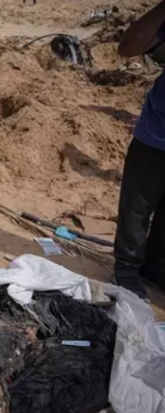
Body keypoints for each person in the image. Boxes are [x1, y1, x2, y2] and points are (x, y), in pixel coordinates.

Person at [113, 1, 165, 300]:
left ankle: (156, 268)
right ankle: (127, 269)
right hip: (157, 133)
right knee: (138, 206)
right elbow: (128, 47)